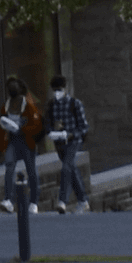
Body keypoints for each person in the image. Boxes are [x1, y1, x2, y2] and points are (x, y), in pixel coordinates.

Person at [45, 72, 92, 212]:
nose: (57, 93)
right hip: (59, 142)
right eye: (54, 90)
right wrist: (52, 129)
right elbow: (46, 124)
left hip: (73, 141)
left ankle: (62, 201)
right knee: (71, 168)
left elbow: (84, 127)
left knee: (66, 167)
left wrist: (72, 134)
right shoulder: (51, 105)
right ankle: (83, 201)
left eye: (59, 90)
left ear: (65, 89)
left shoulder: (74, 104)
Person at [0, 72, 40, 209]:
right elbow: (2, 127)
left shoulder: (28, 105)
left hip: (27, 141)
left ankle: (33, 202)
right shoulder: (6, 106)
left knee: (31, 170)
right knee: (9, 167)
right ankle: (8, 200)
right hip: (13, 141)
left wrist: (23, 129)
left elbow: (36, 125)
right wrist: (2, 147)